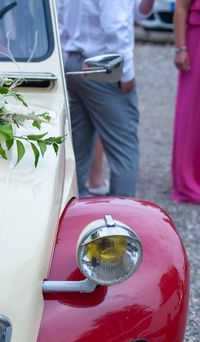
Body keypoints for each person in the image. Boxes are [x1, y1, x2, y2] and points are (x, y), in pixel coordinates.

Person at [58, 0, 155, 198]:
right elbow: (115, 25)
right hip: (103, 67)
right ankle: (122, 215)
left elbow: (136, 13)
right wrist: (126, 72)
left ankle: (75, 213)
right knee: (124, 150)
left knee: (78, 147)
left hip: (76, 61)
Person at [171, 0, 200, 202]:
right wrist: (181, 48)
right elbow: (181, 8)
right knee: (192, 112)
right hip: (197, 43)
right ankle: (188, 180)